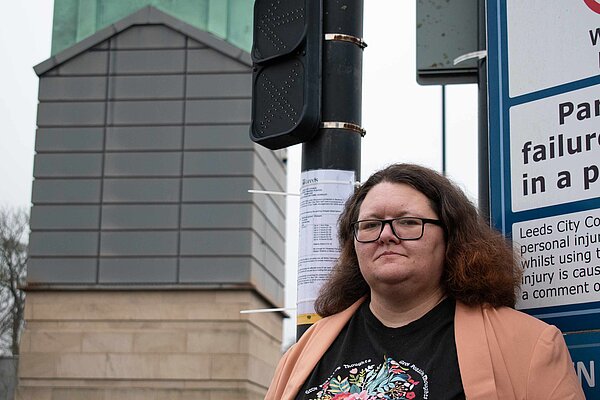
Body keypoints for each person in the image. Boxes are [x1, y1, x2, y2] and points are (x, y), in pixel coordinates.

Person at [265, 163, 585, 400]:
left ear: (451, 237)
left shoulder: (529, 346)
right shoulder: (303, 353)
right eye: (370, 224)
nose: (386, 235)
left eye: (408, 222)